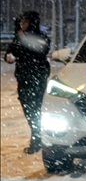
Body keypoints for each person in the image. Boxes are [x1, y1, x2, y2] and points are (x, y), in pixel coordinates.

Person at [4, 11, 51, 154]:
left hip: (37, 76)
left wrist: (25, 40)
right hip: (23, 76)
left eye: (25, 22)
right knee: (28, 107)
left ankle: (38, 138)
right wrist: (9, 57)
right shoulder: (18, 37)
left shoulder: (40, 37)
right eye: (21, 22)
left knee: (36, 107)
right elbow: (11, 51)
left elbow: (40, 50)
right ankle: (36, 135)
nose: (22, 25)